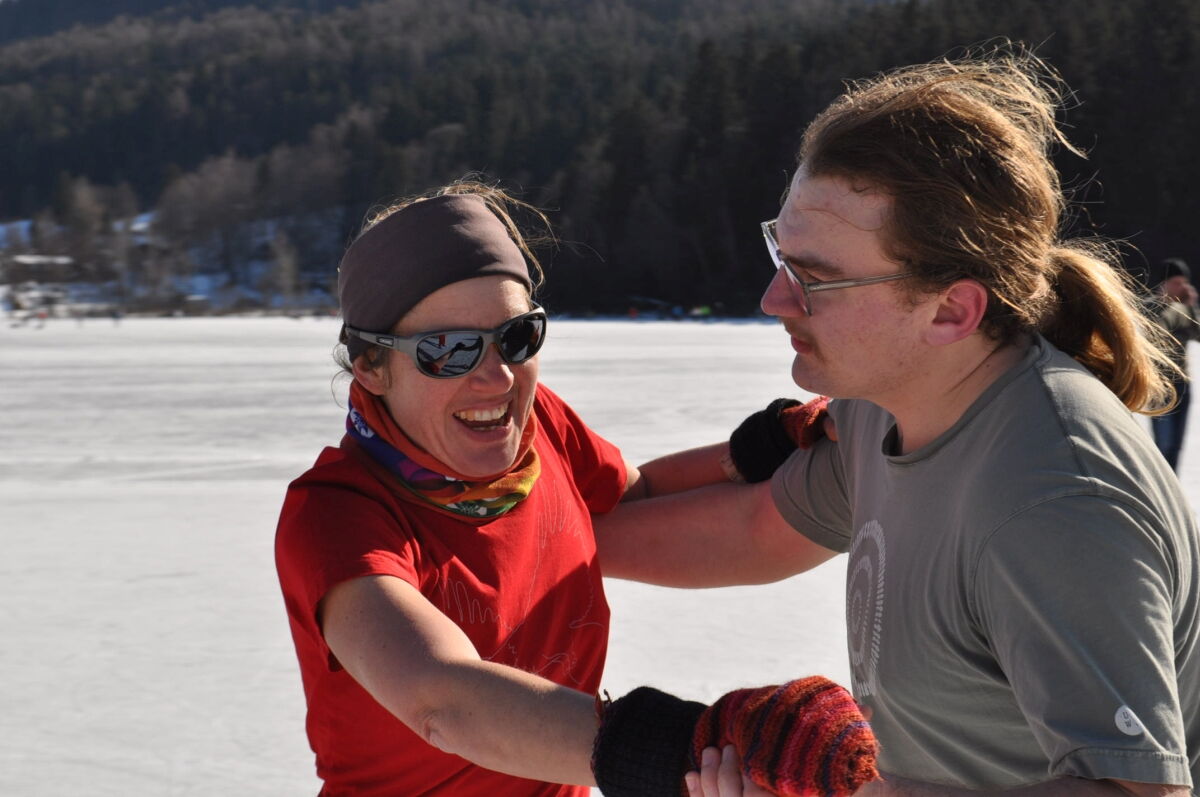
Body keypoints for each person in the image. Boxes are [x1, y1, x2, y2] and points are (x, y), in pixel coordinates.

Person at [595, 48, 1200, 796]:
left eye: (815, 279)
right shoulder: (886, 406)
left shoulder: (1053, 500)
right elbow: (758, 527)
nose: (774, 300)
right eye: (782, 257)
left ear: (951, 310)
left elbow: (1136, 792)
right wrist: (523, 550)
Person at [273, 181, 874, 797]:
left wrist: (760, 447)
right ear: (371, 366)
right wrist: (695, 743)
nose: (497, 378)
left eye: (516, 337)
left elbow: (635, 494)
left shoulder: (538, 432)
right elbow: (441, 699)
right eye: (448, 350)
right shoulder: (340, 513)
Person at [1150, 257, 1199, 470]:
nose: (1181, 287)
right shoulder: (1151, 307)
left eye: (1184, 283)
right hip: (1160, 385)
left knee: (1176, 447)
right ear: (1164, 283)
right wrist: (1165, 302)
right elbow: (1156, 332)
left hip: (1182, 383)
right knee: (1164, 444)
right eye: (1176, 282)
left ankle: (1173, 486)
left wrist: (1191, 306)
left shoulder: (1184, 310)